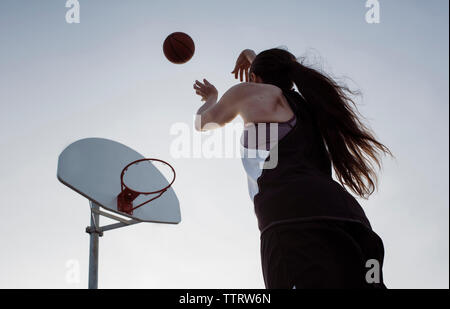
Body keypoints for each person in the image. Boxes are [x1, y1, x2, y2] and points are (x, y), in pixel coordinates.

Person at [193, 48, 392, 289]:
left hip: (291, 217)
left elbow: (202, 123)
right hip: (349, 218)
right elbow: (279, 68)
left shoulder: (250, 93)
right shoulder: (309, 107)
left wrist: (212, 97)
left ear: (254, 78)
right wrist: (251, 55)